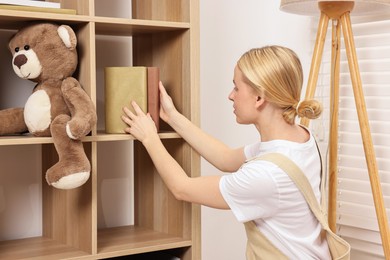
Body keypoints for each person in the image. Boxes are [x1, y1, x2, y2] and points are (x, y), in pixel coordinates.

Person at [122, 45, 331, 259]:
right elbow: (226, 158)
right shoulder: (301, 139)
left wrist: (149, 138)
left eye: (236, 88)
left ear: (259, 98)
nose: (230, 96)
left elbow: (182, 188)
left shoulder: (267, 174)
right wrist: (173, 117)